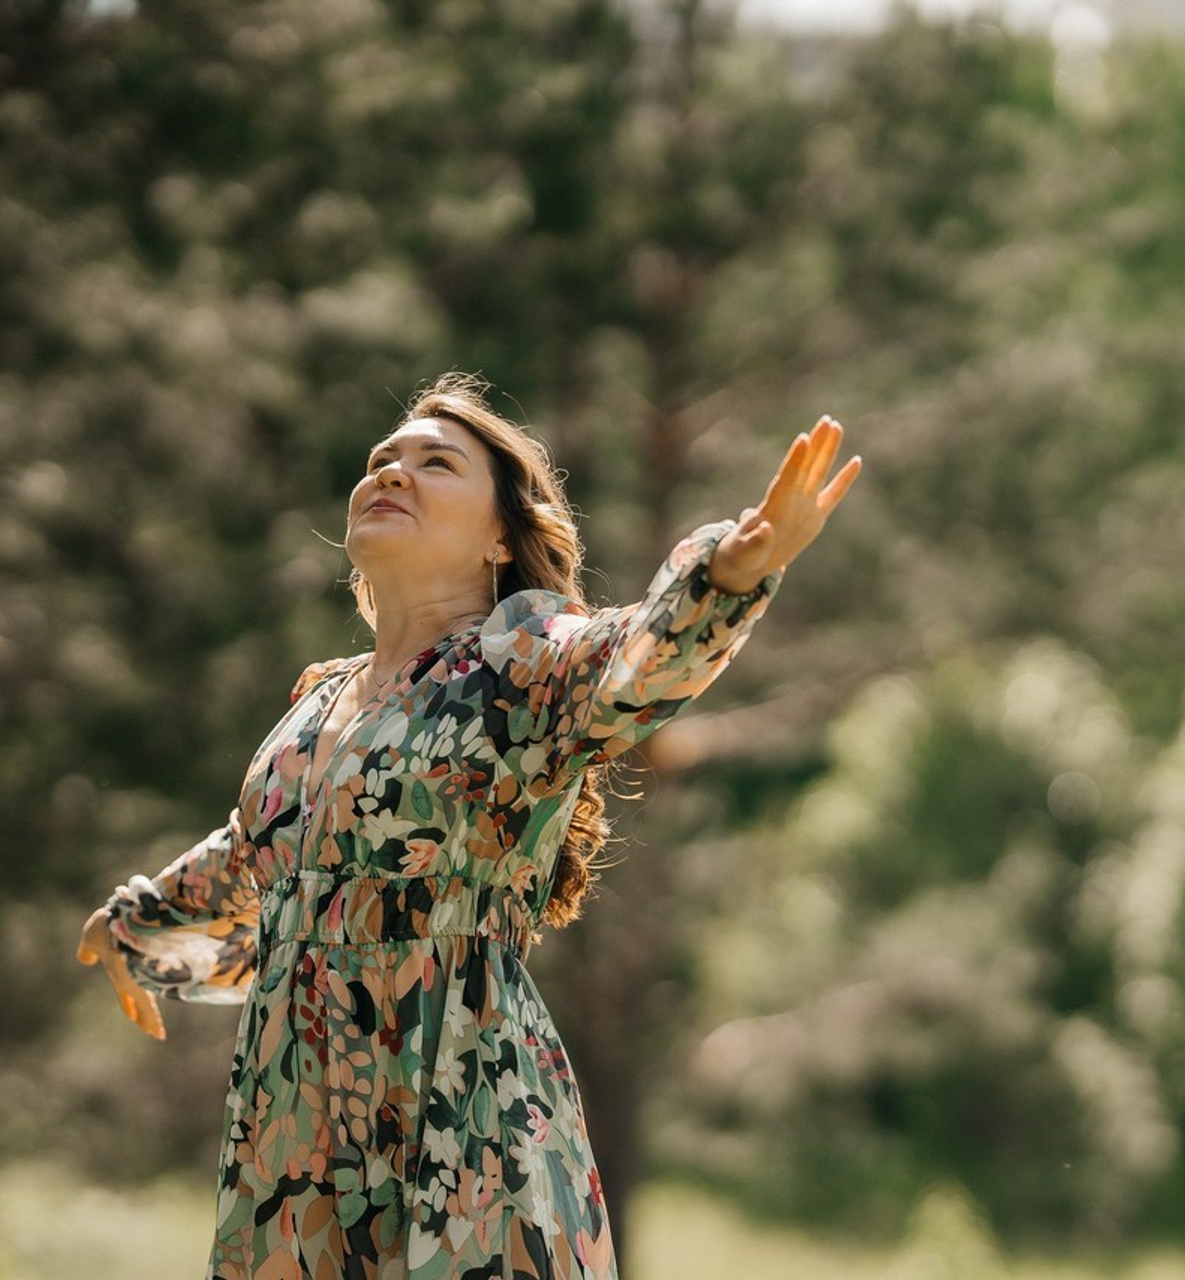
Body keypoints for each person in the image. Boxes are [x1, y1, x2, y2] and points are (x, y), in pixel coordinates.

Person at [76, 373, 862, 1279]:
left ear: (499, 535)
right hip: (294, 1142)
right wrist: (141, 921)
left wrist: (731, 571)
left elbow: (632, 663)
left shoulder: (519, 664)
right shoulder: (317, 707)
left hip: (460, 1122)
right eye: (381, 461)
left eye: (435, 463)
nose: (393, 473)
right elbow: (260, 861)